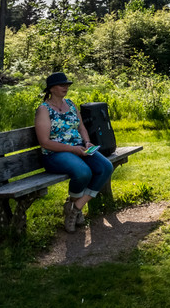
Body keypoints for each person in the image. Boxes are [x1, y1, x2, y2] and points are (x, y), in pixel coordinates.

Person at [34, 72, 114, 232]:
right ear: (51, 89)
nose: (66, 87)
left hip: (79, 148)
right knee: (83, 172)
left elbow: (81, 127)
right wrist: (73, 149)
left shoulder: (70, 104)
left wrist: (87, 142)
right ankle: (74, 208)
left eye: (67, 84)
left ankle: (75, 208)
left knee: (106, 167)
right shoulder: (44, 110)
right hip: (55, 154)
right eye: (62, 85)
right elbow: (45, 142)